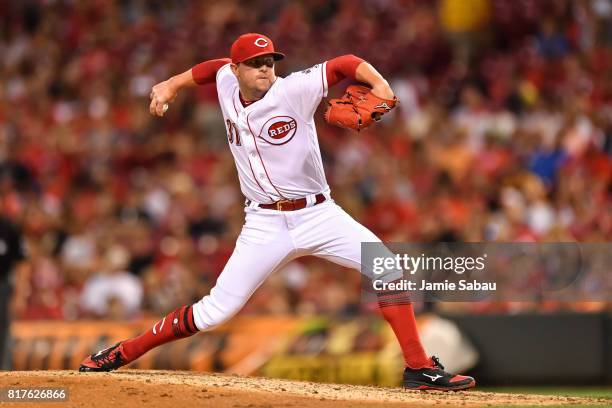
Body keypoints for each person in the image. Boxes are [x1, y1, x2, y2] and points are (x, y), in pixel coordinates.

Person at [79, 33, 475, 391]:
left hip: (319, 215)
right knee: (215, 312)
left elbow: (344, 62)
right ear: (237, 71)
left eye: (270, 61)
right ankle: (124, 352)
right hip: (264, 222)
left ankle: (419, 368)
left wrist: (379, 84)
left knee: (388, 269)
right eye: (255, 63)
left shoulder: (294, 91)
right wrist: (171, 84)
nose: (266, 68)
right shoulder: (224, 81)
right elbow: (210, 68)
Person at [0, 209, 26, 370]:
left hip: (2, 286)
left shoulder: (8, 228)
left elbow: (22, 261)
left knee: (2, 330)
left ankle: (3, 372)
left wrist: (19, 294)